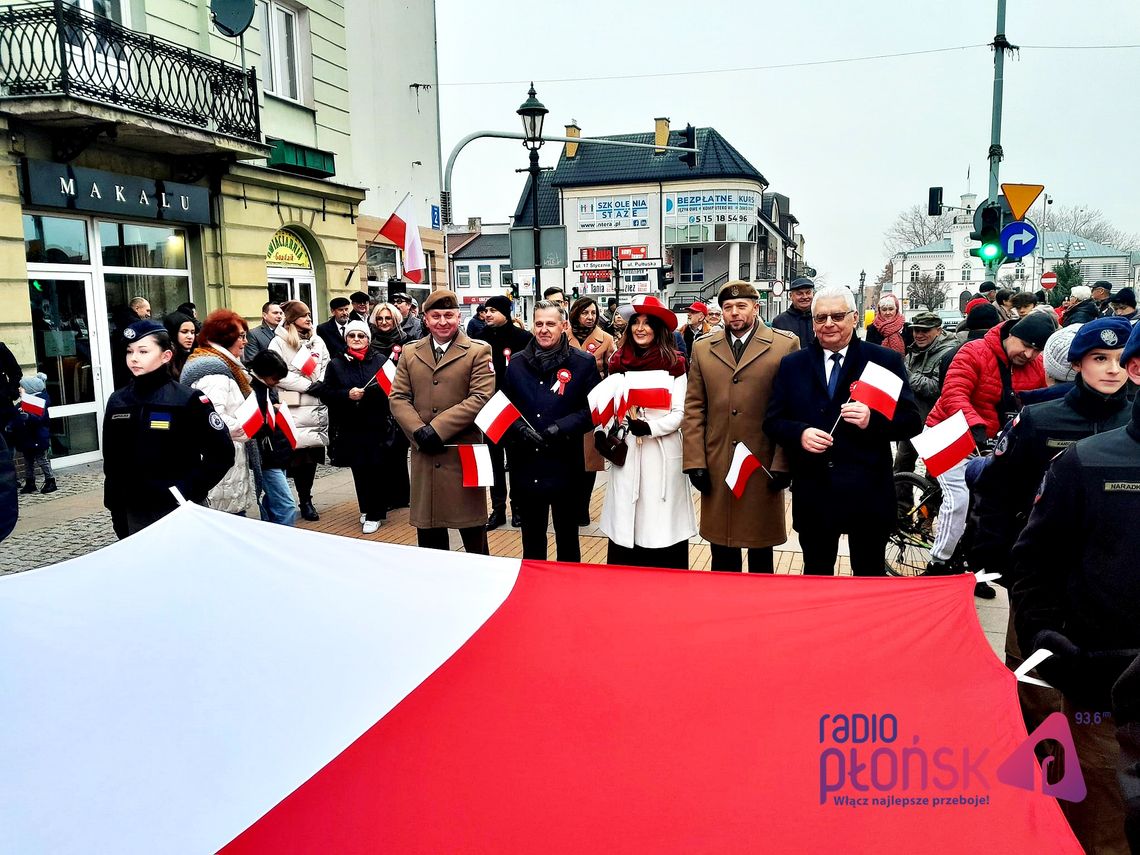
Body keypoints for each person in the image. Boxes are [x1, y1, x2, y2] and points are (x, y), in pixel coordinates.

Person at [1010, 321, 1140, 855]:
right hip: (1108, 690)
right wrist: (1048, 636)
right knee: (1105, 830)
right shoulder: (1086, 462)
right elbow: (1032, 558)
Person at [970, 318, 1132, 741]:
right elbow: (999, 490)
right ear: (1077, 364)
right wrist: (995, 555)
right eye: (1100, 358)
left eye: (1119, 359)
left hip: (1104, 578)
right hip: (1040, 570)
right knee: (1033, 678)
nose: (1111, 370)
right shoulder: (1040, 419)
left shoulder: (1134, 425)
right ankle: (1033, 755)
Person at [764, 285, 922, 576]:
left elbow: (911, 421)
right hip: (815, 491)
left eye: (837, 316)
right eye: (821, 317)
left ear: (854, 317)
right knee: (817, 576)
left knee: (869, 575)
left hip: (867, 490)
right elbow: (773, 421)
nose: (829, 324)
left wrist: (871, 419)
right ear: (813, 322)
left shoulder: (883, 360)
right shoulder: (792, 365)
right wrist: (800, 434)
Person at [922, 312, 1050, 589]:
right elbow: (954, 392)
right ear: (1011, 334)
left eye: (1037, 349)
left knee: (988, 508)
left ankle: (973, 568)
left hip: (995, 442)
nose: (1029, 354)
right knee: (959, 500)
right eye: (1026, 345)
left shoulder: (1035, 365)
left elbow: (1039, 403)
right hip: (947, 432)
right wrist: (975, 424)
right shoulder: (974, 351)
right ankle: (938, 563)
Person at [683, 281, 798, 572]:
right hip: (718, 459)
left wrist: (784, 462)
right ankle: (724, 609)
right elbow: (695, 407)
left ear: (755, 308)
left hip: (762, 461)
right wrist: (695, 460)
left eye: (741, 306)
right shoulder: (703, 348)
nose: (734, 312)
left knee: (761, 549)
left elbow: (791, 408)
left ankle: (760, 611)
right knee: (721, 548)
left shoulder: (784, 344)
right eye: (727, 307)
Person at [102, 320, 233, 537]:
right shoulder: (118, 401)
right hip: (134, 511)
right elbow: (113, 460)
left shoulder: (188, 399)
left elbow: (222, 453)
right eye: (129, 351)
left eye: (143, 351)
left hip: (179, 507)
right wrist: (115, 504)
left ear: (166, 356)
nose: (134, 358)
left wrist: (187, 490)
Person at [389, 289, 494, 554]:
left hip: (463, 454)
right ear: (425, 319)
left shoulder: (478, 351)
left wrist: (437, 429)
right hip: (425, 452)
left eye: (449, 315)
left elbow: (480, 397)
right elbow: (398, 397)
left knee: (473, 532)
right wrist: (418, 430)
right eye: (436, 316)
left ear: (459, 316)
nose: (443, 321)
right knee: (430, 534)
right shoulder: (411, 353)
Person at [599, 295, 696, 569]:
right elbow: (608, 404)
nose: (640, 328)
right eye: (635, 323)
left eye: (647, 323)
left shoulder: (675, 364)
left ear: (658, 328)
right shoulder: (618, 362)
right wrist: (603, 430)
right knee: (627, 519)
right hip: (628, 451)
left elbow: (680, 412)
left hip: (661, 453)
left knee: (660, 521)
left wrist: (651, 427)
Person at [501, 301, 599, 561]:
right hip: (527, 463)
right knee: (532, 540)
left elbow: (594, 410)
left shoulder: (583, 363)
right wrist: (519, 428)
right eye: (539, 324)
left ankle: (569, 594)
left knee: (567, 537)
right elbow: (502, 406)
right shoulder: (517, 363)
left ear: (564, 326)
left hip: (566, 463)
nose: (544, 330)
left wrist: (562, 427)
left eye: (551, 324)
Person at [324, 320, 398, 534]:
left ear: (368, 339)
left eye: (361, 335)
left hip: (376, 424)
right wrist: (346, 394)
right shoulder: (336, 363)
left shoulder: (380, 360)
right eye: (352, 335)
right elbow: (327, 392)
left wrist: (371, 395)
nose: (356, 339)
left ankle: (375, 513)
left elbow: (392, 390)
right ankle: (366, 507)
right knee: (360, 469)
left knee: (376, 468)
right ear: (346, 339)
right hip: (351, 426)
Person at [268, 300, 330, 522]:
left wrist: (321, 382)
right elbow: (277, 372)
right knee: (290, 458)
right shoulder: (279, 342)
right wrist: (306, 385)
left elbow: (325, 365)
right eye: (304, 315)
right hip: (293, 406)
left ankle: (306, 499)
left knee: (309, 459)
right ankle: (281, 500)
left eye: (309, 314)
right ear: (292, 319)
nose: (309, 318)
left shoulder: (317, 341)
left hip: (314, 406)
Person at [477, 295, 534, 529]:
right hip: (489, 409)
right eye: (485, 310)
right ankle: (497, 509)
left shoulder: (523, 338)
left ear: (505, 312)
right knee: (493, 463)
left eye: (493, 310)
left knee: (517, 461)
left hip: (515, 409)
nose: (487, 314)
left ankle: (518, 508)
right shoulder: (478, 341)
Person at [893, 311, 958, 495]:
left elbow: (936, 388)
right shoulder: (913, 350)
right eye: (916, 330)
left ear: (938, 330)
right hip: (912, 420)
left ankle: (927, 516)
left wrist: (909, 377)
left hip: (936, 423)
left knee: (934, 474)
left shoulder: (948, 354)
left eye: (924, 330)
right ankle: (901, 512)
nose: (919, 335)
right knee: (902, 467)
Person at [568, 296, 616, 525]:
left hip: (592, 405)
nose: (589, 317)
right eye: (585, 312)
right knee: (568, 459)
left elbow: (612, 370)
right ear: (575, 313)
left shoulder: (605, 339)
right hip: (564, 404)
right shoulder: (562, 336)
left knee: (589, 458)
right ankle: (568, 502)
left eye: (593, 313)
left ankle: (582, 506)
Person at [246, 350, 296, 526]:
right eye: (275, 379)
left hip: (276, 451)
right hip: (267, 455)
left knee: (272, 501)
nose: (277, 383)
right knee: (286, 505)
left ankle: (269, 531)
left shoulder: (266, 388)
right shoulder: (254, 391)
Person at [13, 373, 56, 494]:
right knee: (28, 461)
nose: (19, 389)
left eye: (22, 387)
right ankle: (30, 482)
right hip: (27, 437)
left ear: (30, 389)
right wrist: (11, 424)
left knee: (42, 459)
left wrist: (27, 417)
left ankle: (50, 480)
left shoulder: (38, 403)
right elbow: (15, 415)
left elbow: (39, 418)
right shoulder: (23, 403)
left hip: (38, 437)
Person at [771, 276, 815, 348]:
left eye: (808, 293)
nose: (805, 297)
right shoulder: (780, 321)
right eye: (799, 294)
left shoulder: (820, 318)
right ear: (791, 296)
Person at [162, 311, 197, 379]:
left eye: (192, 332)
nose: (190, 336)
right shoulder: (164, 360)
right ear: (173, 333)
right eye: (184, 332)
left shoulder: (194, 355)